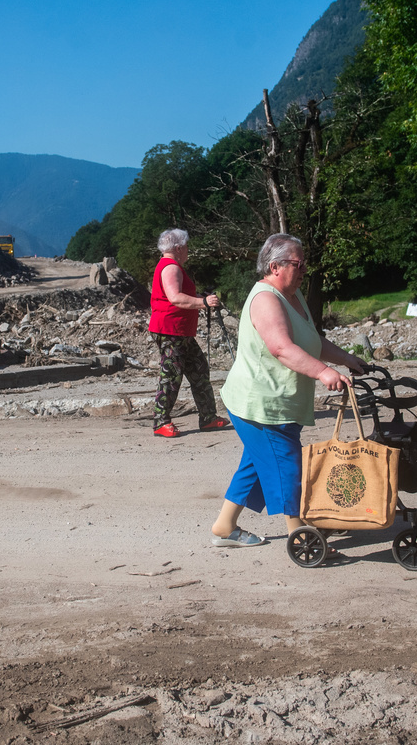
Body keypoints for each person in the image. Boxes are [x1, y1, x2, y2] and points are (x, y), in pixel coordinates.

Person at [210, 233, 368, 547]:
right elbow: (282, 348)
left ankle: (225, 526)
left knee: (256, 463)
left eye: (304, 263)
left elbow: (314, 341)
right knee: (288, 466)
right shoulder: (266, 299)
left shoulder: (293, 297)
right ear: (275, 266)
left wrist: (348, 359)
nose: (304, 269)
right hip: (261, 405)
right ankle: (301, 534)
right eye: (298, 263)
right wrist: (324, 372)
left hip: (280, 402)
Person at [148, 228, 231, 438]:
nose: (188, 251)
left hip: (178, 330)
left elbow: (180, 295)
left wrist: (199, 298)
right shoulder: (171, 267)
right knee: (171, 374)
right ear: (178, 247)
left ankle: (208, 417)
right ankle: (161, 421)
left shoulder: (169, 266)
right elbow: (175, 298)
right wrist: (203, 302)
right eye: (186, 247)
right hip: (170, 329)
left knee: (199, 368)